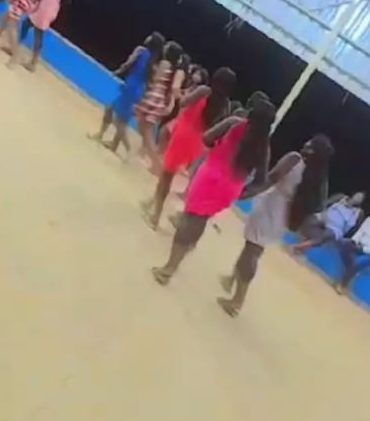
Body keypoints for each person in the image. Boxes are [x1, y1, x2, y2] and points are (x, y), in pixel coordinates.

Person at [151, 98, 276, 286]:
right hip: (230, 188)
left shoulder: (234, 123)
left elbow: (206, 138)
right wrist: (242, 193)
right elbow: (260, 180)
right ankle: (184, 251)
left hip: (210, 176)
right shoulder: (264, 146)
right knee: (201, 219)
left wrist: (219, 147)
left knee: (189, 219)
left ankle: (168, 269)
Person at [218, 134, 335, 317]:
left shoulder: (295, 159)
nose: (306, 142)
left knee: (251, 251)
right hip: (284, 215)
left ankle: (237, 300)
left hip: (271, 206)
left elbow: (271, 178)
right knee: (253, 249)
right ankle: (231, 280)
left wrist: (246, 193)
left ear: (311, 149)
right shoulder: (318, 178)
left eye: (310, 142)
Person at [142, 67, 236, 230]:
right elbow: (219, 126)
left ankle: (155, 215)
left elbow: (183, 102)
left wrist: (187, 92)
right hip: (197, 143)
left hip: (183, 134)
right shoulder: (226, 104)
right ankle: (151, 202)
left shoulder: (204, 91)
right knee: (168, 173)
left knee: (167, 176)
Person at [89, 32, 165, 156]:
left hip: (130, 87)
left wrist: (117, 71)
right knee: (121, 119)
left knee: (114, 114)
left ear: (151, 41)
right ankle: (113, 144)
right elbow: (150, 82)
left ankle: (127, 148)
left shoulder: (141, 50)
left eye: (150, 36)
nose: (147, 37)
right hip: (138, 91)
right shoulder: (154, 63)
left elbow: (128, 63)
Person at [135, 41, 183, 175]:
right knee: (146, 130)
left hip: (153, 96)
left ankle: (157, 164)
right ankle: (154, 162)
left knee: (146, 132)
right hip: (159, 98)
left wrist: (153, 69)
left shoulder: (164, 64)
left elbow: (155, 78)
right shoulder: (173, 69)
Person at [18, 0, 66, 71]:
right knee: (29, 27)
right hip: (47, 7)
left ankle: (32, 62)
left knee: (37, 32)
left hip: (46, 8)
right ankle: (23, 52)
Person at [294, 192, 365, 253]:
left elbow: (352, 227)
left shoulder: (357, 212)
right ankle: (298, 237)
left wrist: (343, 235)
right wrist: (324, 213)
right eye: (358, 195)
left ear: (360, 202)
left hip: (336, 228)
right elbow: (325, 203)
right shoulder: (341, 197)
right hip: (325, 217)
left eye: (360, 198)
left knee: (325, 235)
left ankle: (299, 247)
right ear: (354, 194)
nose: (358, 198)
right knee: (311, 220)